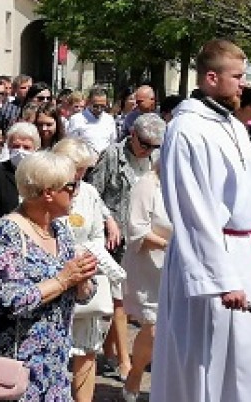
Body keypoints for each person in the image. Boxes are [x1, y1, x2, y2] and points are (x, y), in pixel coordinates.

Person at [151, 39, 251, 402]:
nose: (243, 85)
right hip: (209, 260)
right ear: (211, 77)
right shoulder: (186, 130)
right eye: (237, 76)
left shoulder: (232, 126)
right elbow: (192, 211)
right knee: (209, 364)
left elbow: (250, 199)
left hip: (244, 254)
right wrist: (220, 279)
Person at [0, 151, 98, 402]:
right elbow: (9, 300)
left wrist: (83, 279)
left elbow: (84, 294)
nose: (77, 191)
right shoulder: (7, 234)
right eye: (71, 185)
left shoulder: (59, 231)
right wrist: (63, 280)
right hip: (12, 370)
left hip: (52, 369)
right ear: (48, 193)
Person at [87, 112, 164, 381]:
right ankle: (124, 361)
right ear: (132, 135)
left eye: (155, 146)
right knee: (119, 300)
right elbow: (93, 194)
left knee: (131, 304)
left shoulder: (158, 159)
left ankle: (109, 350)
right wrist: (109, 220)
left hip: (147, 242)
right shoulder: (112, 156)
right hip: (117, 238)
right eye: (145, 144)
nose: (149, 151)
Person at [51, 138, 124, 402]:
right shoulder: (45, 190)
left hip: (87, 279)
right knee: (53, 349)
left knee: (87, 351)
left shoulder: (90, 193)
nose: (80, 175)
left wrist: (89, 259)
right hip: (55, 280)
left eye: (84, 169)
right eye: (76, 168)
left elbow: (95, 234)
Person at [121, 148, 171, 402]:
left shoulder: (189, 187)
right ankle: (136, 372)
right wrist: (171, 246)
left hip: (181, 268)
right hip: (150, 267)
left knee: (175, 330)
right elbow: (137, 229)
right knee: (154, 328)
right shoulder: (147, 185)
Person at [0, 122, 40, 246]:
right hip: (2, 241)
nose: (20, 151)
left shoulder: (41, 175)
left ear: (35, 149)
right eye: (16, 146)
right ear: (8, 147)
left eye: (26, 147)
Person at [65, 87, 117, 156]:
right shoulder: (76, 119)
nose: (99, 109)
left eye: (103, 106)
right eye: (95, 106)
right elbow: (71, 145)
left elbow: (113, 143)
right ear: (88, 102)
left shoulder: (109, 120)